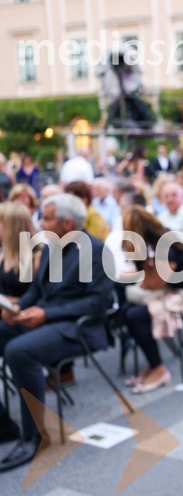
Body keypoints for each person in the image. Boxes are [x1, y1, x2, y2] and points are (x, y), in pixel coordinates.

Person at [0, 194, 113, 471]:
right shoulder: (52, 246)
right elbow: (37, 291)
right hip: (49, 319)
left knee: (19, 351)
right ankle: (4, 426)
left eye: (47, 218)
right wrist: (18, 307)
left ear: (67, 223)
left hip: (78, 327)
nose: (41, 223)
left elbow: (100, 303)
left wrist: (46, 314)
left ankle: (35, 436)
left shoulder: (96, 250)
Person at [120, 206, 183, 393]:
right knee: (127, 310)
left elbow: (154, 283)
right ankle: (154, 364)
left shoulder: (164, 245)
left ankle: (158, 368)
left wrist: (147, 272)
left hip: (181, 296)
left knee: (135, 315)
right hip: (168, 291)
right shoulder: (159, 239)